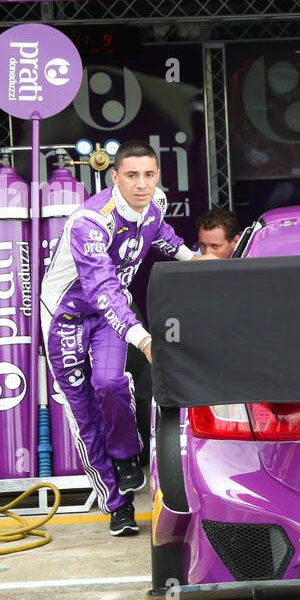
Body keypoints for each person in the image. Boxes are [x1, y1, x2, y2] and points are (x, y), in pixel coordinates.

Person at [39, 141, 206, 537]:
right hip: (65, 318)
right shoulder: (90, 221)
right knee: (85, 419)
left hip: (107, 318)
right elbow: (102, 287)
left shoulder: (156, 202)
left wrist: (193, 259)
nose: (142, 184)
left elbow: (158, 233)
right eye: (132, 175)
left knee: (110, 382)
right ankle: (116, 504)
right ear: (114, 177)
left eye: (149, 174)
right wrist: (144, 339)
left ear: (157, 176)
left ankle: (128, 455)